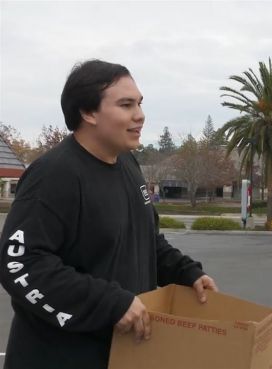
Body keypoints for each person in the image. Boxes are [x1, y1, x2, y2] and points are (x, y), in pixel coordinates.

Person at [0, 59, 218, 369]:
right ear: (88, 113)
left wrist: (186, 273)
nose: (139, 115)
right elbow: (20, 262)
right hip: (59, 356)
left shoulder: (129, 165)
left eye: (140, 104)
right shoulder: (54, 175)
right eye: (126, 105)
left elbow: (145, 239)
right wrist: (110, 303)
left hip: (121, 353)